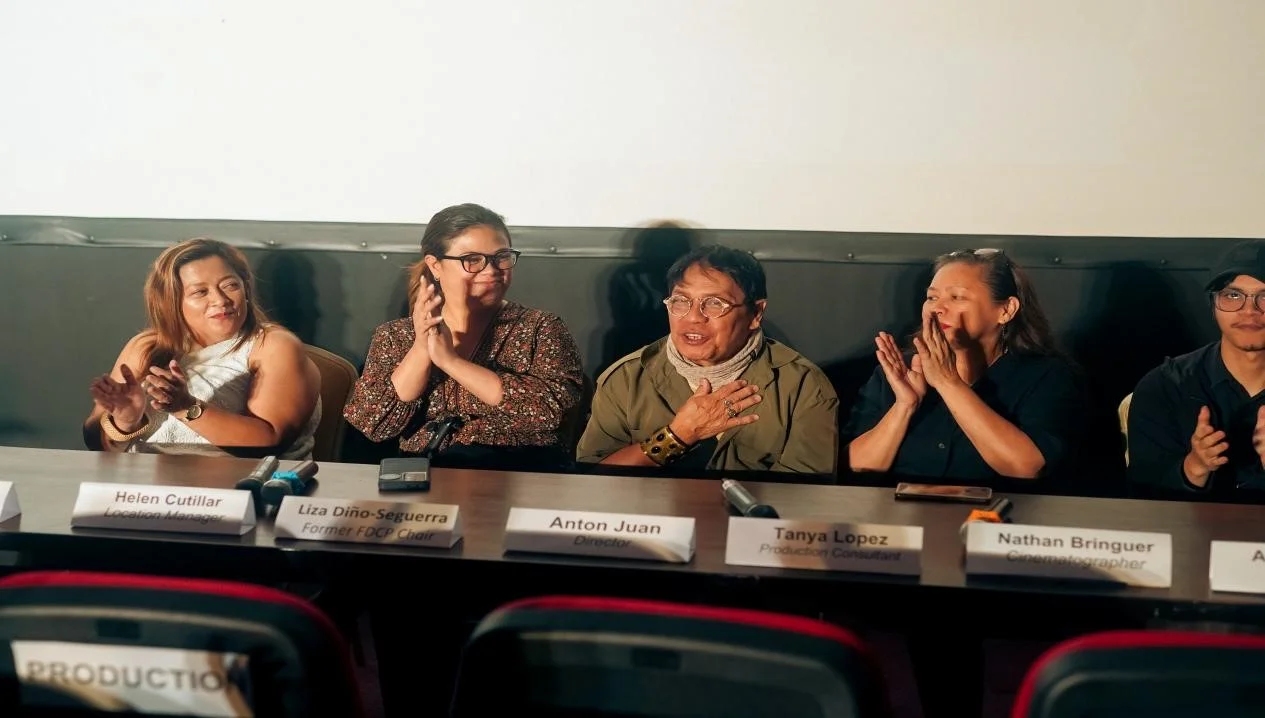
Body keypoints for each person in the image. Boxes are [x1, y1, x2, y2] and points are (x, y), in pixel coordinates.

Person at [343, 203, 585, 470]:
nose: (491, 270)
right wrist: (423, 347)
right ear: (435, 266)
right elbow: (374, 424)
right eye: (472, 260)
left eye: (501, 257)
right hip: (424, 480)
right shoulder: (395, 336)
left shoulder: (541, 328)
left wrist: (451, 362)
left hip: (516, 475)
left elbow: (548, 412)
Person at [576, 245, 838, 475]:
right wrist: (676, 436)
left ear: (756, 313)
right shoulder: (626, 378)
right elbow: (593, 480)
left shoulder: (802, 384)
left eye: (714, 303)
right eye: (680, 301)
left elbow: (807, 498)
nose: (693, 317)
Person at [845, 248, 1084, 482]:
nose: (938, 307)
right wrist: (904, 406)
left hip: (998, 518)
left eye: (956, 297)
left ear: (1005, 310)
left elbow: (1026, 466)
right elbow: (856, 465)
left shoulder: (1046, 376)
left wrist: (948, 383)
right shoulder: (899, 372)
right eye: (932, 297)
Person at [84, 238, 322, 458]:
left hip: (243, 492)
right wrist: (124, 423)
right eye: (200, 292)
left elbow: (270, 440)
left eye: (230, 286)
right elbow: (97, 442)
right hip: (148, 492)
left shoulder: (273, 345)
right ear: (171, 301)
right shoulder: (146, 347)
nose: (220, 300)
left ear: (246, 288)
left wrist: (185, 408)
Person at [1128, 240, 1265, 498]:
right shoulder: (1166, 386)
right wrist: (1194, 468)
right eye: (1233, 295)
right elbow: (1142, 499)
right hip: (1192, 535)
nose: (1249, 311)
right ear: (1214, 305)